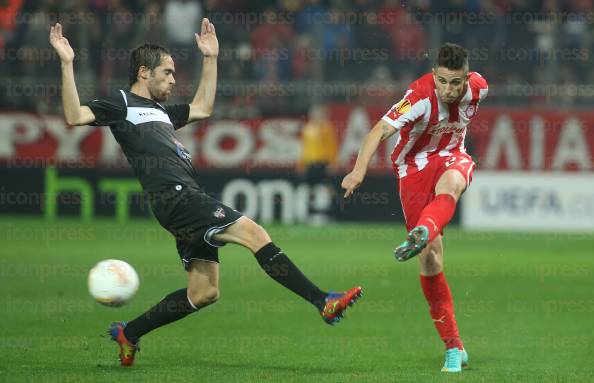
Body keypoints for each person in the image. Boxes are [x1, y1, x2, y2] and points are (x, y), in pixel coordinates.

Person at [49, 20, 362, 367]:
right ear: (143, 72)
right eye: (167, 73)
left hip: (181, 200)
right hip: (177, 197)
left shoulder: (161, 112)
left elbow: (202, 108)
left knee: (204, 292)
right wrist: (66, 63)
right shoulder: (121, 104)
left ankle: (130, 332)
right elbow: (75, 115)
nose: (172, 79)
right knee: (254, 233)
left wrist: (211, 58)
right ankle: (323, 301)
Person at [342, 43, 488, 373]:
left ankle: (425, 229)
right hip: (413, 169)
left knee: (453, 183)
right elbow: (379, 130)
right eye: (443, 82)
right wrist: (358, 170)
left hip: (452, 157)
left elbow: (468, 98)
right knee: (431, 259)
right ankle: (455, 345)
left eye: (456, 83)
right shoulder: (419, 95)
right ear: (434, 75)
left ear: (467, 78)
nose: (449, 90)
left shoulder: (480, 87)